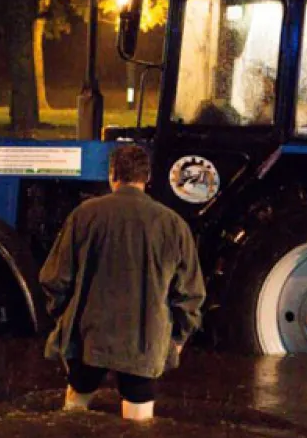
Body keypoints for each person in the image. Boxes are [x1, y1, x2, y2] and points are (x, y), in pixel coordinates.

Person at [40, 144, 206, 422]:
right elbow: (190, 295)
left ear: (112, 174)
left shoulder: (84, 215)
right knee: (137, 434)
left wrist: (63, 320)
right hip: (144, 342)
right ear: (148, 177)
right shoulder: (173, 224)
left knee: (73, 419)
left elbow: (55, 278)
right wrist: (177, 338)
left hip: (87, 339)